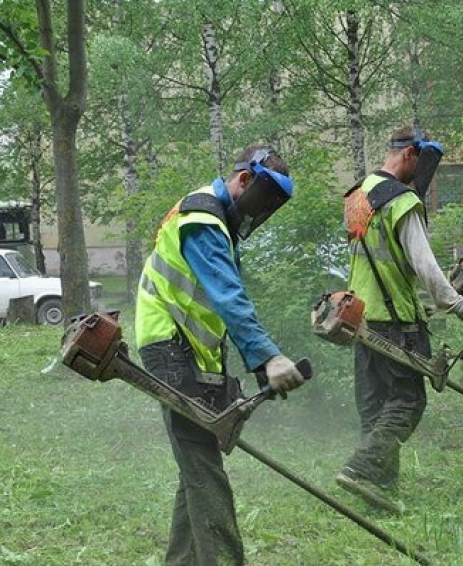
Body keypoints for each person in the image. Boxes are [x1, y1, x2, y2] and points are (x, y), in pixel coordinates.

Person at [135, 145, 306, 566]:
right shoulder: (204, 219)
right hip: (172, 352)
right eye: (263, 200)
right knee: (205, 472)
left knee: (197, 468)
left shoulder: (210, 219)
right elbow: (229, 298)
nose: (261, 212)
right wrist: (269, 358)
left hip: (185, 352)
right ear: (243, 181)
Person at [336, 126, 463, 511]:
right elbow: (425, 265)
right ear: (408, 155)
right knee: (407, 401)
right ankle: (361, 469)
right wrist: (461, 308)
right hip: (395, 319)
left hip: (360, 316)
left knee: (374, 406)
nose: (423, 175)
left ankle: (380, 491)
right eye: (422, 164)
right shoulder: (402, 201)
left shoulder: (358, 194)